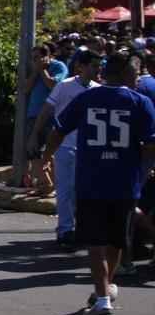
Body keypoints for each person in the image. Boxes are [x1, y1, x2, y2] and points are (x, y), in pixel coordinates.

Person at [45, 52, 155, 315]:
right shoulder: (140, 102)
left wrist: (46, 157)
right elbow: (150, 145)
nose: (139, 78)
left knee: (96, 242)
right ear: (126, 73)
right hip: (125, 184)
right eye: (136, 72)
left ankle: (103, 296)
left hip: (92, 182)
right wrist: (140, 171)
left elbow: (59, 130)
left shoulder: (86, 98)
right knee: (116, 241)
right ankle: (104, 292)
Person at [31, 50, 101, 249]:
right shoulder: (64, 86)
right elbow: (47, 110)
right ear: (81, 66)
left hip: (89, 149)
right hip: (65, 146)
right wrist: (34, 134)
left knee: (84, 191)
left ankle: (83, 229)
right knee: (65, 190)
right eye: (94, 66)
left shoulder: (98, 89)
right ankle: (65, 230)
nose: (97, 70)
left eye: (99, 66)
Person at [23, 44, 67, 193]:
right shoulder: (35, 69)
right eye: (33, 58)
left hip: (50, 114)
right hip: (33, 114)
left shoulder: (59, 66)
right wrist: (36, 70)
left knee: (50, 151)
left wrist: (42, 70)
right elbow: (26, 89)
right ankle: (47, 183)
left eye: (38, 57)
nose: (35, 61)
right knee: (33, 150)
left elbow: (53, 85)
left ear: (47, 56)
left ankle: (51, 184)